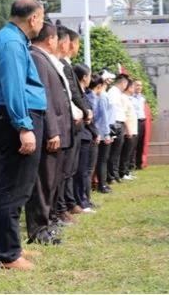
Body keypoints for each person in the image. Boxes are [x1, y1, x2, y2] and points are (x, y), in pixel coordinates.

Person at [0, 0, 47, 270]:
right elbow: (13, 88)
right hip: (17, 121)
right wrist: (24, 126)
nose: (42, 24)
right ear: (33, 18)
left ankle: (13, 250)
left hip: (18, 117)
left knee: (18, 188)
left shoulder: (12, 39)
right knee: (12, 189)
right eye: (42, 18)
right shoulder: (11, 42)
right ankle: (8, 256)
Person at [24, 22, 72, 245]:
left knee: (51, 180)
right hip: (49, 130)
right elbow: (44, 100)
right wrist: (52, 130)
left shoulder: (45, 59)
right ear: (50, 39)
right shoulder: (36, 58)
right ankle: (38, 230)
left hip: (58, 129)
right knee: (42, 183)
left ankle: (47, 223)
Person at [56, 26, 89, 219]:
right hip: (65, 123)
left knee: (70, 168)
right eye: (73, 42)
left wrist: (84, 111)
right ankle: (61, 207)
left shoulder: (65, 65)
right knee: (64, 170)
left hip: (74, 121)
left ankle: (67, 204)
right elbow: (71, 95)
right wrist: (84, 110)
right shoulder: (60, 64)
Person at [74, 64, 99, 213]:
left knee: (87, 171)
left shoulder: (83, 94)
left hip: (88, 135)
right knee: (81, 172)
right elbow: (87, 117)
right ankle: (81, 201)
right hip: (83, 135)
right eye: (89, 75)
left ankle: (85, 199)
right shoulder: (79, 95)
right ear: (84, 77)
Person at [88, 71, 115, 194]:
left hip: (100, 131)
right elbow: (102, 116)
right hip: (100, 131)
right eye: (109, 80)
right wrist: (106, 134)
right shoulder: (102, 96)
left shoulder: (100, 95)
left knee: (101, 159)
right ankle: (101, 184)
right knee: (102, 160)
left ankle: (100, 183)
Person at [107, 74, 130, 183]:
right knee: (114, 152)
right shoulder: (113, 92)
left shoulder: (117, 93)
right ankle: (111, 176)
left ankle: (114, 175)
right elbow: (112, 110)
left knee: (117, 152)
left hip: (119, 123)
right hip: (115, 124)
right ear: (123, 83)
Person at [120, 78, 138, 180]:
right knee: (125, 153)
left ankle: (126, 171)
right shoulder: (123, 98)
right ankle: (122, 172)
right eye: (132, 86)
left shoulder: (128, 98)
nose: (134, 88)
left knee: (130, 152)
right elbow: (123, 115)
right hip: (128, 130)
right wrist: (128, 129)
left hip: (133, 129)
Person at [130, 80, 147, 171]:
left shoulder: (143, 98)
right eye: (137, 85)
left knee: (141, 143)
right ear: (133, 86)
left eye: (140, 85)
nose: (139, 87)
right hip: (134, 121)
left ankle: (139, 164)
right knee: (133, 144)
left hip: (142, 121)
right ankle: (131, 164)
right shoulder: (130, 98)